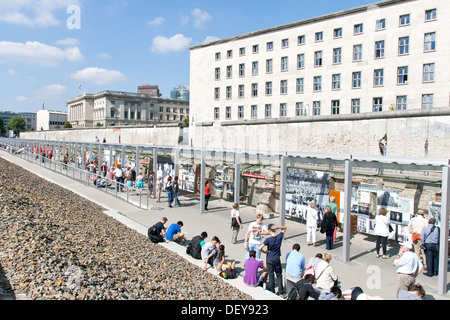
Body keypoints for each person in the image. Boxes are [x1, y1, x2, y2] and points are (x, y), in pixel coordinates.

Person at [259, 224, 287, 295]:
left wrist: (265, 252)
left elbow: (260, 248)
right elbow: (284, 228)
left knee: (271, 275)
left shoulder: (268, 240)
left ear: (269, 230)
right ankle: (280, 291)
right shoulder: (279, 236)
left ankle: (272, 290)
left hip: (269, 258)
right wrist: (277, 227)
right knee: (279, 275)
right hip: (277, 258)